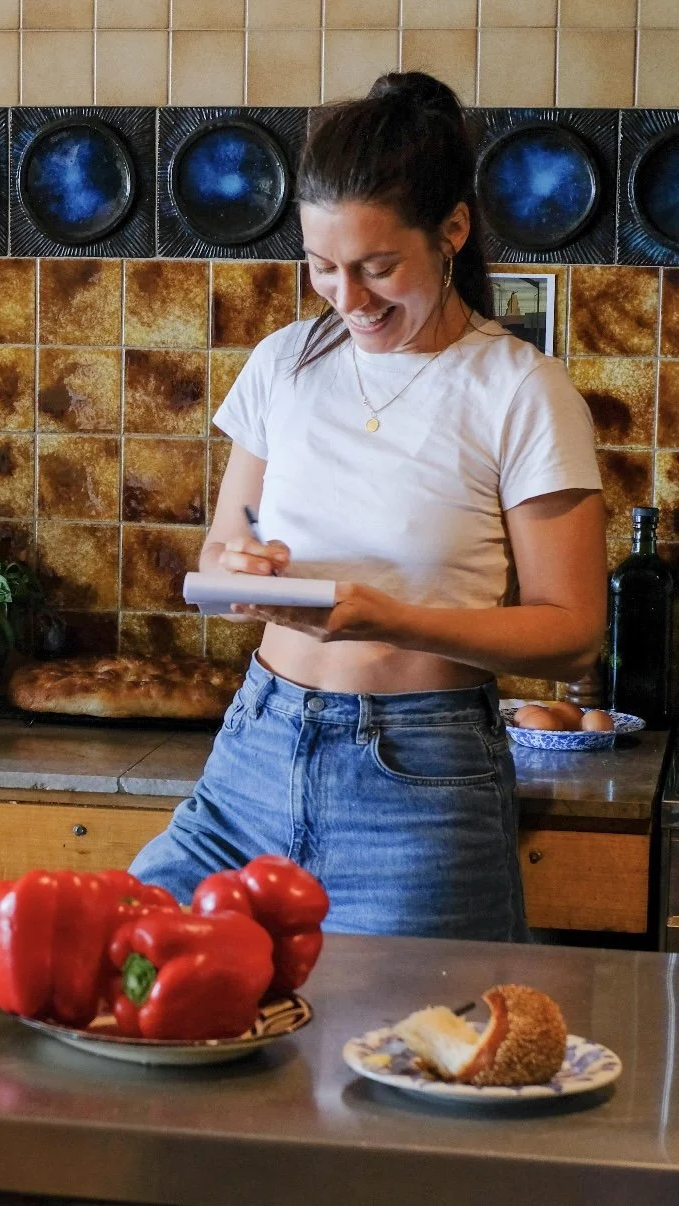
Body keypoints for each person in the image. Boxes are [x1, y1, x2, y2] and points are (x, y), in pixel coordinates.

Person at [129, 72, 606, 941]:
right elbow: (224, 539)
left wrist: (393, 620)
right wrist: (238, 564)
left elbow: (572, 629)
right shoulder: (285, 363)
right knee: (118, 968)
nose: (348, 299)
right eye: (322, 267)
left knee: (394, 1056)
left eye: (378, 268)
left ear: (452, 229)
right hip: (252, 757)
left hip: (418, 782)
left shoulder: (520, 391)